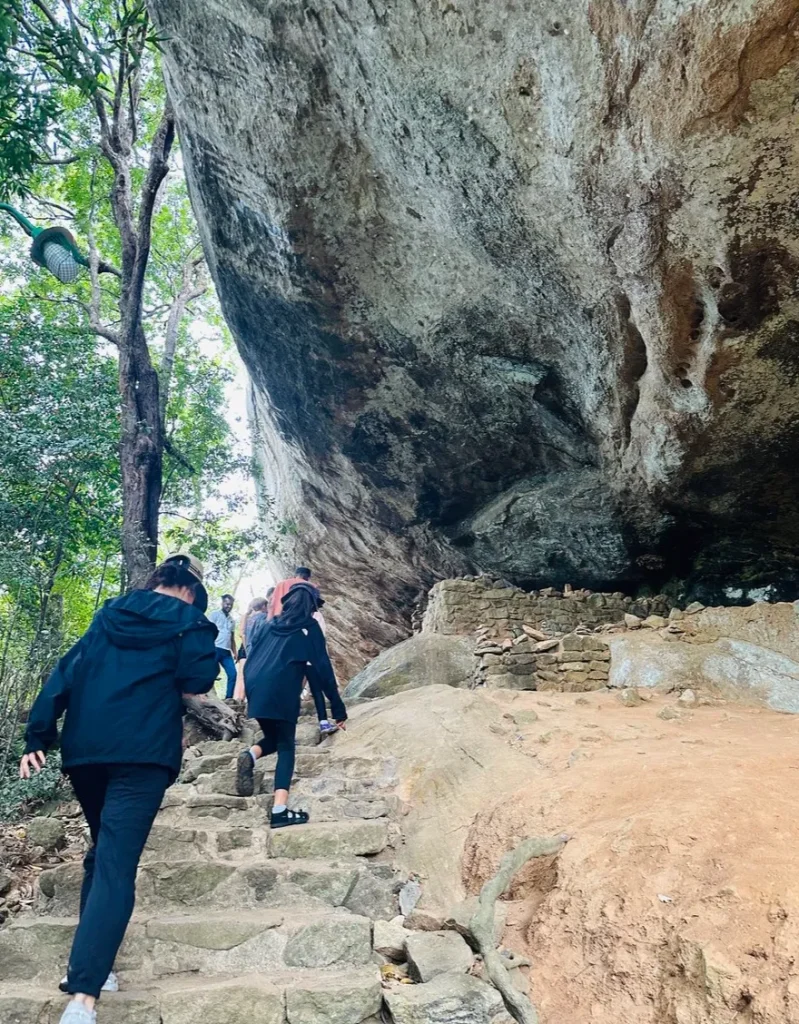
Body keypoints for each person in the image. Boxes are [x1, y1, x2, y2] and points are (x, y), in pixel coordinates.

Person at [19, 553, 217, 1024]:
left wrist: (38, 735)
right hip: (143, 753)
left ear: (156, 581)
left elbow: (64, 673)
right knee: (115, 864)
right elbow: (197, 679)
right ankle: (84, 998)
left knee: (101, 851)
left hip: (86, 753)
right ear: (190, 591)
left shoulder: (107, 616)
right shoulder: (190, 621)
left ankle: (94, 967)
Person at [235, 582, 347, 826]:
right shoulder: (309, 628)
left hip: (256, 687)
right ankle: (279, 810)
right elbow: (323, 669)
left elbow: (252, 655)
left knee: (273, 739)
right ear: (311, 607)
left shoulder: (267, 624)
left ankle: (250, 754)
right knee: (286, 746)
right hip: (282, 689)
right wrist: (338, 709)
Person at [208, 594, 237, 699]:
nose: (228, 606)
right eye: (227, 603)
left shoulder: (232, 620)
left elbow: (232, 638)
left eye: (231, 605)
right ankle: (209, 696)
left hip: (226, 651)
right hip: (215, 648)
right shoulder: (214, 615)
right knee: (211, 673)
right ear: (222, 603)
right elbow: (208, 631)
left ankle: (229, 698)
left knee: (233, 674)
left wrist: (235, 653)